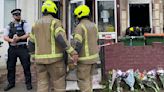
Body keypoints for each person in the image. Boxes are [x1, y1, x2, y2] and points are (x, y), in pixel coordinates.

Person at [28, 0, 78, 92]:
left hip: (40, 62)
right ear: (54, 10)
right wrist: (72, 52)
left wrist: (33, 56)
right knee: (59, 85)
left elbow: (30, 43)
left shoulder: (35, 24)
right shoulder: (55, 22)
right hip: (55, 61)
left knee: (42, 85)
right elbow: (60, 38)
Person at [3, 9, 32, 91]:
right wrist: (12, 40)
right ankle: (11, 83)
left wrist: (19, 38)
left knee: (26, 66)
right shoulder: (9, 25)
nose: (18, 16)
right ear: (13, 16)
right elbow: (5, 36)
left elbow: (28, 34)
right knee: (10, 67)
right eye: (16, 15)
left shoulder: (24, 23)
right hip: (12, 48)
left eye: (19, 14)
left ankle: (28, 83)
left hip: (22, 48)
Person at [73, 5, 100, 92]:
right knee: (89, 81)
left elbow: (78, 43)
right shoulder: (94, 25)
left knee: (83, 82)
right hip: (93, 58)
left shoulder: (80, 27)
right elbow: (97, 40)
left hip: (84, 59)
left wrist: (74, 55)